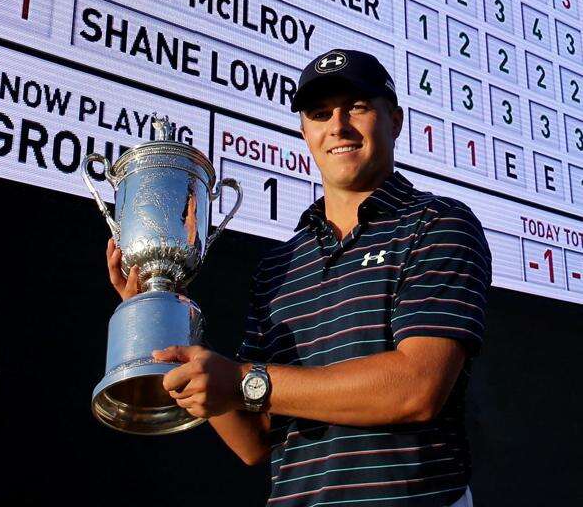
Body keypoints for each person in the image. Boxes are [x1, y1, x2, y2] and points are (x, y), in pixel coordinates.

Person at [107, 48, 492, 507]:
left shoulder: (438, 224)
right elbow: (255, 440)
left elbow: (417, 388)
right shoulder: (279, 265)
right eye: (320, 114)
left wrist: (243, 379)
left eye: (357, 107)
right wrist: (165, 318)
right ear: (304, 131)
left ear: (395, 120)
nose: (338, 126)